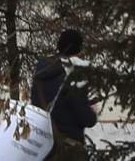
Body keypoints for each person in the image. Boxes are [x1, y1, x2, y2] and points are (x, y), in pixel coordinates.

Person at [30, 29, 97, 160]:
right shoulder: (73, 75)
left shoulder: (41, 73)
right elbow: (85, 118)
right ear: (78, 49)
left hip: (44, 147)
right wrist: (92, 113)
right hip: (67, 149)